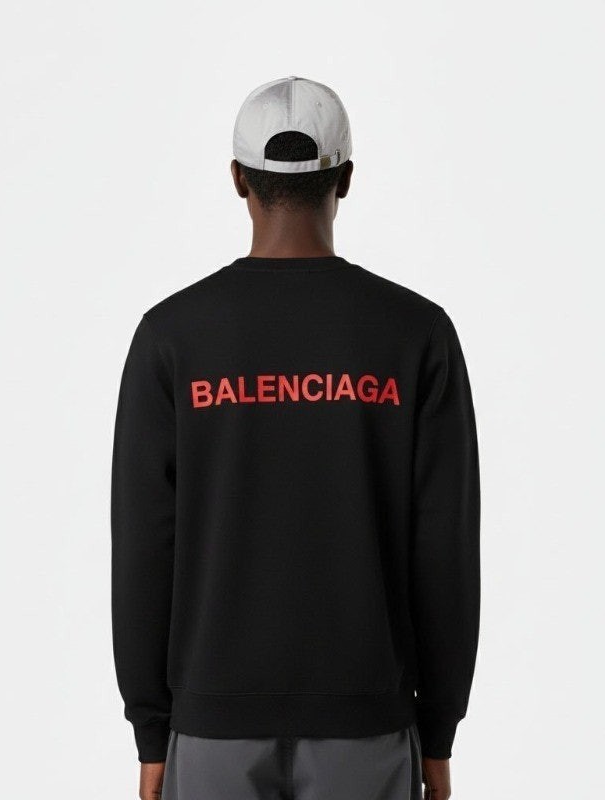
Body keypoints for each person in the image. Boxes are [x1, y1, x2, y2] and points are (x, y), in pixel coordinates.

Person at [111, 76, 481, 800]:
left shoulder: (172, 336)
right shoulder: (416, 333)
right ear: (346, 179)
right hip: (368, 727)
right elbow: (445, 548)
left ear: (237, 178)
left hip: (212, 729)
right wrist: (437, 733)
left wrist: (151, 733)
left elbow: (143, 545)